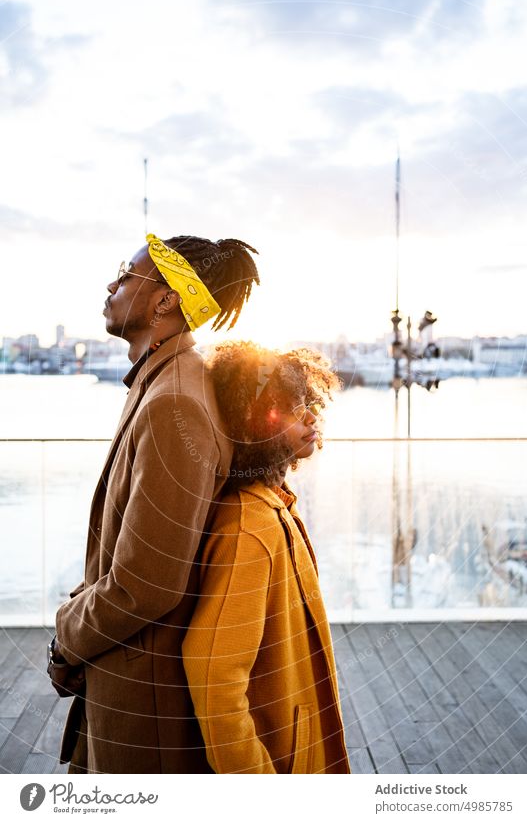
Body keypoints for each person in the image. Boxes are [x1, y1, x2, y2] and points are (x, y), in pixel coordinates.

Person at [47, 233, 259, 774]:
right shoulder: (162, 384)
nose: (112, 283)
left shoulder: (174, 404)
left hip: (146, 707)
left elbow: (148, 582)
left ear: (166, 300)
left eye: (126, 272)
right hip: (124, 674)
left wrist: (69, 639)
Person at [182, 341, 350, 773]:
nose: (312, 417)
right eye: (292, 409)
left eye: (309, 403)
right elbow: (215, 680)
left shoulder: (274, 505)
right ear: (255, 421)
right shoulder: (249, 528)